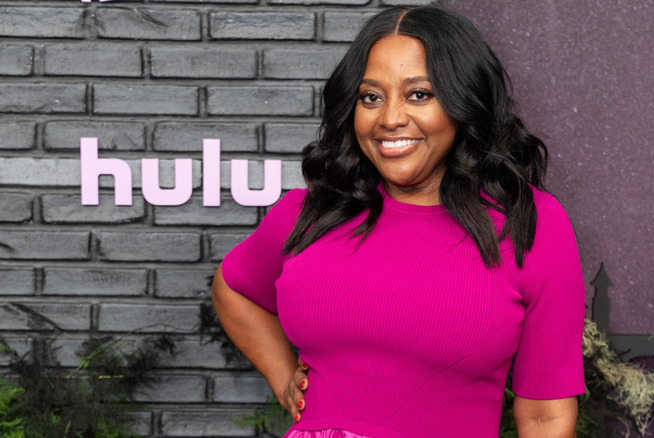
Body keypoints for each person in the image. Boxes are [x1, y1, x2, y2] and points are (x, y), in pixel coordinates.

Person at [211, 6, 585, 438]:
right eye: (371, 97)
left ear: (465, 103)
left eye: (419, 95)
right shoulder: (311, 211)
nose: (389, 119)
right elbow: (233, 289)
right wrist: (283, 378)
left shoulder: (527, 223)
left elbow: (546, 417)